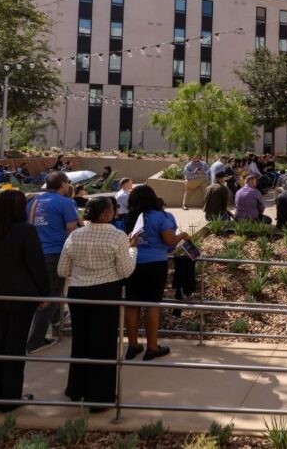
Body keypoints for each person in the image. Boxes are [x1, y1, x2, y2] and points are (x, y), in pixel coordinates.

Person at [0, 190, 49, 413]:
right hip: (20, 297)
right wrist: (44, 294)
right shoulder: (26, 231)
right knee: (14, 345)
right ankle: (10, 397)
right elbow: (37, 265)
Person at [58, 197, 137, 407]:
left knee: (81, 341)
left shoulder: (75, 235)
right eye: (112, 209)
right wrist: (132, 250)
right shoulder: (117, 235)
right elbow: (125, 271)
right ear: (104, 213)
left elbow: (62, 270)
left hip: (77, 293)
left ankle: (77, 389)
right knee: (103, 344)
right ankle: (99, 397)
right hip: (105, 293)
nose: (114, 211)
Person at [123, 185, 189, 361]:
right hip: (155, 264)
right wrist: (182, 235)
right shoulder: (160, 217)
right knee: (152, 304)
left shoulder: (128, 218)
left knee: (131, 304)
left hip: (132, 262)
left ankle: (133, 345)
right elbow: (168, 241)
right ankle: (152, 347)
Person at [25, 172, 82, 353]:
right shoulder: (65, 203)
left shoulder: (33, 202)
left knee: (45, 292)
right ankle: (35, 340)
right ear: (63, 184)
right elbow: (71, 230)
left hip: (34, 254)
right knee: (49, 296)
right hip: (55, 253)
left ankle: (57, 319)